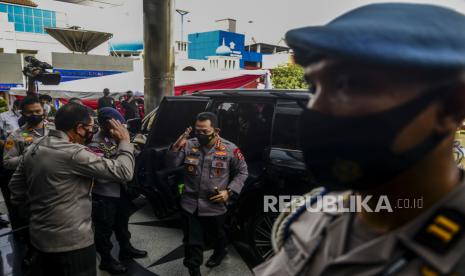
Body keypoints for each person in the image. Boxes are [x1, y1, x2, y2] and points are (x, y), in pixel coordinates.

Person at [254, 3, 465, 275]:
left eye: (349, 85)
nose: (316, 106)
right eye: (314, 87)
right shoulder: (312, 210)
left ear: (451, 108)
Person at [8, 103, 135, 276]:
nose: (92, 131)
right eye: (90, 127)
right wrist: (125, 142)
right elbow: (124, 171)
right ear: (79, 128)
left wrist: (34, 214)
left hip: (38, 238)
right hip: (72, 244)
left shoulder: (34, 147)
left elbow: (15, 187)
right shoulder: (74, 153)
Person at [166, 112, 248, 276]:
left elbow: (242, 172)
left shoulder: (230, 149)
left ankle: (220, 251)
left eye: (205, 131)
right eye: (198, 131)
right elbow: (171, 164)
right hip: (190, 204)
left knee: (217, 235)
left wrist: (229, 192)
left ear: (216, 130)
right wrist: (176, 146)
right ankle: (194, 269)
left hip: (215, 205)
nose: (201, 135)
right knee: (192, 242)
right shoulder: (189, 145)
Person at [87, 107, 147, 274]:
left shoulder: (118, 137)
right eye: (116, 124)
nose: (121, 127)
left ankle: (126, 248)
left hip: (122, 191)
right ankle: (106, 260)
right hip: (105, 194)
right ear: (106, 125)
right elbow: (102, 173)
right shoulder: (95, 143)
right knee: (104, 229)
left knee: (122, 223)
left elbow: (132, 155)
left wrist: (132, 144)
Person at [3, 95, 53, 171]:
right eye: (29, 112)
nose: (34, 114)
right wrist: (29, 157)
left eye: (38, 111)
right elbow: (7, 162)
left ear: (43, 111)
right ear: (22, 113)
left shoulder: (55, 129)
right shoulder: (14, 136)